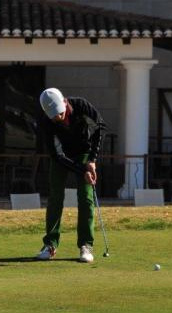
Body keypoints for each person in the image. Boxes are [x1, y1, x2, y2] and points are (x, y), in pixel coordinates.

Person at [36, 88, 106, 262]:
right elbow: (56, 155)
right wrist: (82, 171)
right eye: (53, 115)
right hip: (62, 157)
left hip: (84, 152)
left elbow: (100, 127)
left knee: (85, 197)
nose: (57, 118)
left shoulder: (81, 106)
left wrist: (92, 160)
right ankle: (50, 244)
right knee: (55, 197)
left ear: (65, 103)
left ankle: (86, 245)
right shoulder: (47, 122)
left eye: (59, 113)